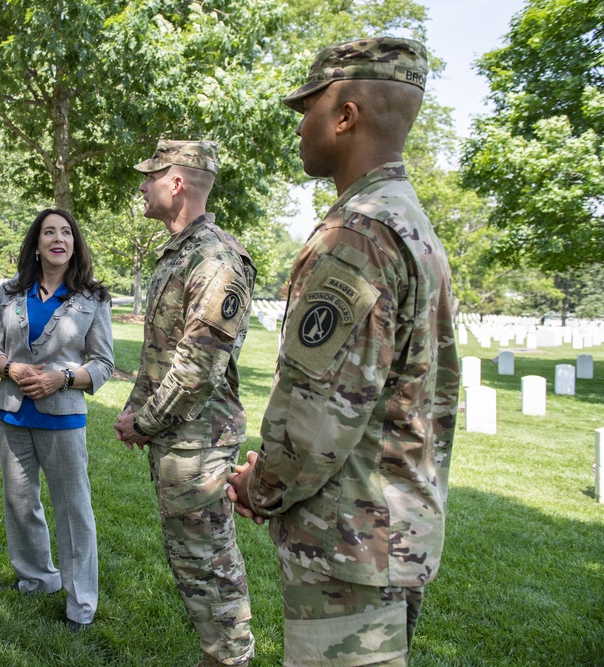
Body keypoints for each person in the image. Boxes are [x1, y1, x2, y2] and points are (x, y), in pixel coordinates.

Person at [227, 37, 460, 667]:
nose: (300, 124)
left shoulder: (357, 235)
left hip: (349, 543)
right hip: (389, 535)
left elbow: (317, 414)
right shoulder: (408, 222)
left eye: (308, 107)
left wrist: (260, 485)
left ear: (345, 116)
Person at [113, 140, 256, 667]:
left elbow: (197, 369)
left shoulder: (217, 259)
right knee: (190, 557)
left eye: (150, 177)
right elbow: (161, 351)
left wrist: (145, 422)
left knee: (206, 558)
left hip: (198, 437)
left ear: (176, 183)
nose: (142, 187)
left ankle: (229, 658)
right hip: (177, 434)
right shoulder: (179, 251)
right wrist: (136, 413)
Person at [0, 208, 113, 632]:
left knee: (74, 511)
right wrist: (10, 369)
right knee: (21, 504)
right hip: (13, 414)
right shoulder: (10, 291)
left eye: (66, 232)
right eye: (48, 232)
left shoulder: (93, 298)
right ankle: (37, 579)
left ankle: (81, 604)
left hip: (64, 419)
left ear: (75, 244)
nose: (58, 238)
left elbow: (105, 364)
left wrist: (65, 377)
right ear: (36, 244)